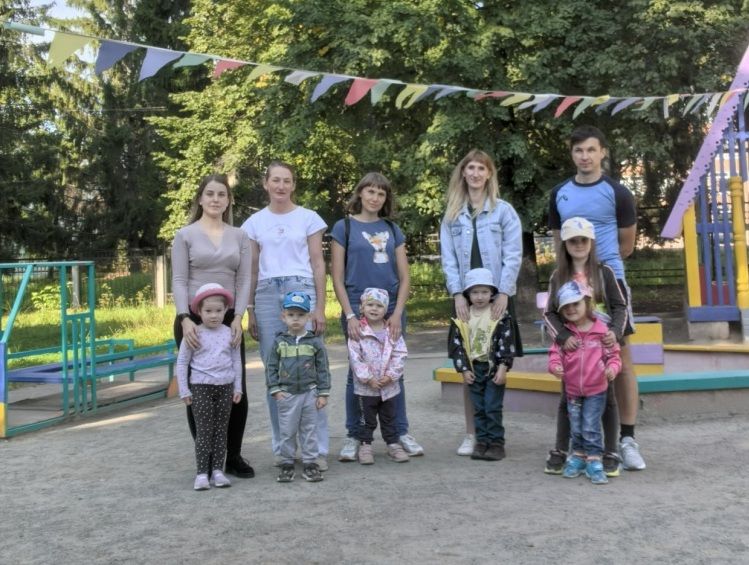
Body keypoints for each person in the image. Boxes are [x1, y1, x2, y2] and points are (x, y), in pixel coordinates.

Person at [548, 125, 646, 471]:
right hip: (570, 289)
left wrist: (598, 274)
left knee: (619, 357)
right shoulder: (559, 194)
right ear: (571, 154)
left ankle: (627, 440)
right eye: (578, 150)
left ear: (603, 151)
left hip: (607, 284)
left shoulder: (618, 193)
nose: (585, 156)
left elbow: (626, 245)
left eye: (591, 150)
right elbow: (560, 242)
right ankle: (576, 443)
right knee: (574, 357)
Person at [240, 161, 330, 470]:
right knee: (276, 373)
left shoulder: (309, 218)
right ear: (265, 183)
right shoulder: (253, 223)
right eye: (275, 180)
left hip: (301, 288)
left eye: (287, 181)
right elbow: (252, 269)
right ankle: (284, 449)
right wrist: (250, 310)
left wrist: (320, 307)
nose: (281, 186)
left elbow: (318, 263)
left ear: (293, 185)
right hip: (266, 295)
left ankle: (316, 451)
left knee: (310, 369)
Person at [330, 172, 423, 462]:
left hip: (390, 310)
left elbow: (405, 277)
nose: (375, 198)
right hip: (358, 310)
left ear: (386, 199)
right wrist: (349, 315)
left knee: (394, 370)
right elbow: (337, 276)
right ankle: (355, 435)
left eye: (381, 194)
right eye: (370, 191)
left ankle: (399, 432)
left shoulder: (392, 229)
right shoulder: (344, 227)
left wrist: (397, 313)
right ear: (360, 193)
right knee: (357, 374)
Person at [439, 149, 523, 456]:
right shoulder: (452, 215)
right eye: (470, 168)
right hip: (466, 300)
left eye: (481, 168)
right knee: (470, 366)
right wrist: (456, 294)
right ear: (463, 173)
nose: (475, 173)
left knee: (496, 365)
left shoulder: (503, 212)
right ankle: (472, 433)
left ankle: (494, 437)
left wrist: (505, 292)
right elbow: (448, 259)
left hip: (497, 297)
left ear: (489, 174)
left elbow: (513, 254)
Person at [171, 174, 255, 479]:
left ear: (228, 200)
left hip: (227, 319)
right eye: (210, 194)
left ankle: (232, 455)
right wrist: (185, 318)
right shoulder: (185, 235)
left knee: (235, 388)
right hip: (193, 319)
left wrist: (238, 317)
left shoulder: (240, 236)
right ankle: (205, 458)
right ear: (200, 198)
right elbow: (179, 280)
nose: (216, 199)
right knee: (200, 391)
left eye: (221, 194)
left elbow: (244, 279)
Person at [543, 217, 629, 476]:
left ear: (591, 242)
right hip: (572, 346)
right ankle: (562, 448)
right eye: (573, 241)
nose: (578, 245)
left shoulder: (604, 272)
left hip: (599, 344)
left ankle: (610, 451)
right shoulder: (559, 276)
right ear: (565, 244)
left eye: (583, 240)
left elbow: (620, 306)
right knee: (567, 399)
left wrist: (615, 332)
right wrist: (562, 337)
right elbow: (549, 313)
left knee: (607, 399)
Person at [548, 280, 622, 485]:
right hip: (572, 390)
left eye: (576, 304)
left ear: (587, 303)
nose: (571, 309)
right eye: (566, 306)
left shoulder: (602, 332)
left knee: (590, 425)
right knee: (576, 425)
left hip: (596, 390)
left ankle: (595, 459)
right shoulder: (565, 334)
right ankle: (579, 456)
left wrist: (612, 369)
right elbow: (555, 354)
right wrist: (555, 366)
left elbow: (614, 356)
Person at [176, 283, 244, 490]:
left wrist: (238, 387)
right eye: (208, 311)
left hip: (225, 387)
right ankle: (201, 474)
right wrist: (184, 389)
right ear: (199, 311)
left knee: (221, 431)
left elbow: (237, 361)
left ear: (226, 310)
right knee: (205, 431)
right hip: (201, 387)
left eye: (218, 310)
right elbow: (182, 362)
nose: (214, 315)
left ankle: (217, 471)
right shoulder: (194, 334)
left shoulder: (230, 333)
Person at [447, 268, 517, 461]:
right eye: (475, 292)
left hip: (493, 368)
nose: (479, 297)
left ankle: (496, 444)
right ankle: (482, 442)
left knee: (492, 406)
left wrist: (503, 367)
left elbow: (506, 342)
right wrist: (464, 369)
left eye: (484, 292)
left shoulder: (499, 314)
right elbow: (457, 345)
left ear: (491, 293)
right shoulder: (463, 316)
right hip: (474, 368)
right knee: (478, 407)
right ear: (468, 294)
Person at [266, 291, 331, 483]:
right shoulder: (279, 342)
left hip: (310, 393)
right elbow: (271, 367)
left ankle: (310, 462)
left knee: (309, 429)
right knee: (287, 430)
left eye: (301, 315)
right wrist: (275, 389)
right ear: (283, 316)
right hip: (287, 394)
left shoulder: (314, 342)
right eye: (291, 314)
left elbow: (323, 368)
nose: (296, 319)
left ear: (308, 317)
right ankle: (287, 462)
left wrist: (323, 393)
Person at [348, 288, 410, 465]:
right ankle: (365, 446)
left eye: (379, 305)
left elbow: (400, 353)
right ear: (362, 308)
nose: (374, 308)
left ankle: (393, 444)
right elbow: (355, 358)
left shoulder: (392, 331)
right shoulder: (358, 331)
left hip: (388, 387)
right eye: (370, 304)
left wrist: (391, 376)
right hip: (366, 388)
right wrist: (368, 378)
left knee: (389, 418)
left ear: (386, 309)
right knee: (366, 420)